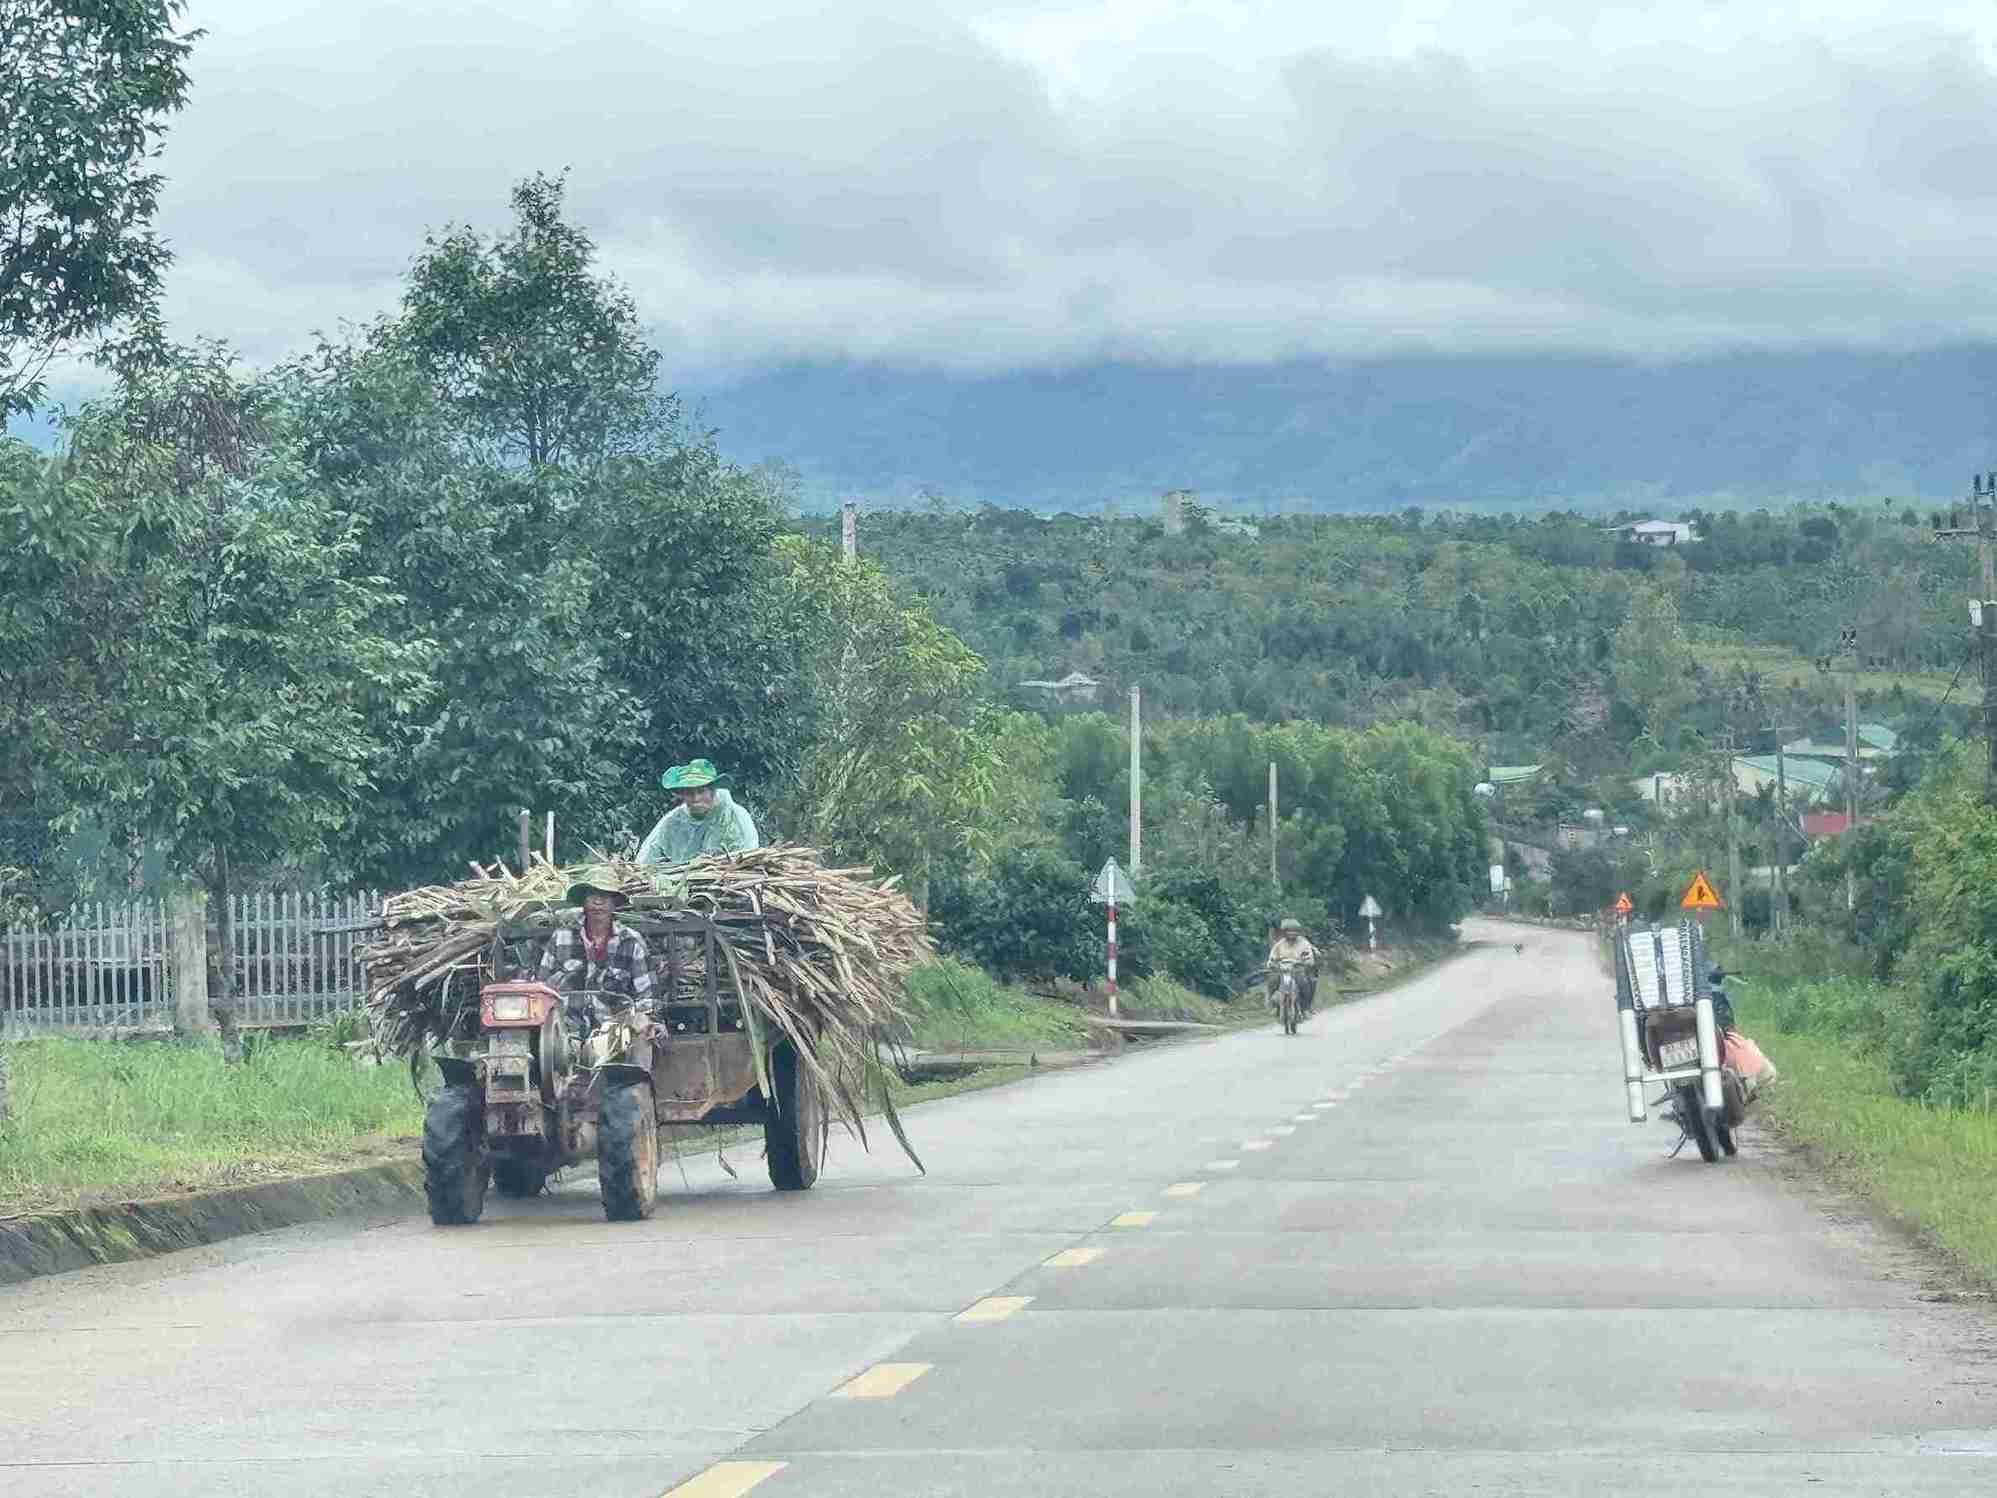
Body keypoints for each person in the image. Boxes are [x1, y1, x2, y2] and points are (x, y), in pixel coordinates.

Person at [539, 869, 655, 1033]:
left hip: (616, 1030)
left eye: (605, 896)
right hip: (566, 1029)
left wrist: (644, 1020)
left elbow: (646, 995)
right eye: (592, 895)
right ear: (583, 901)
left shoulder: (631, 941)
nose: (598, 902)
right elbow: (543, 988)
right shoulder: (561, 937)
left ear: (614, 903)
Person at [636, 758, 761, 866]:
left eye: (701, 791)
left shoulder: (735, 818)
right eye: (689, 793)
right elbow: (648, 857)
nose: (696, 798)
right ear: (682, 794)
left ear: (712, 791)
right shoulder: (673, 821)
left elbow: (746, 860)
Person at [1265, 917, 1318, 1015]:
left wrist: (1307, 961)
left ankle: (1306, 1008)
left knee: (1304, 983)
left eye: (1294, 931)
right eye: (1289, 931)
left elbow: (1309, 957)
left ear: (1298, 932)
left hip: (1298, 970)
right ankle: (1274, 1006)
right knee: (1272, 981)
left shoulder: (1304, 943)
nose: (1292, 933)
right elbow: (1272, 957)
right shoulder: (1279, 945)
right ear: (1284, 932)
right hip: (1282, 970)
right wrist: (1271, 964)